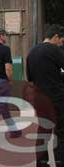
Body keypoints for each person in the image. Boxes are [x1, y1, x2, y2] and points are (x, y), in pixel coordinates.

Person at [27, 24, 64, 166]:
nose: (61, 44)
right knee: (60, 131)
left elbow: (30, 77)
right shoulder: (54, 50)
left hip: (39, 96)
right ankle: (60, 161)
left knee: (43, 129)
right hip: (56, 96)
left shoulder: (32, 52)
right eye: (61, 41)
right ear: (56, 37)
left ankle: (41, 162)